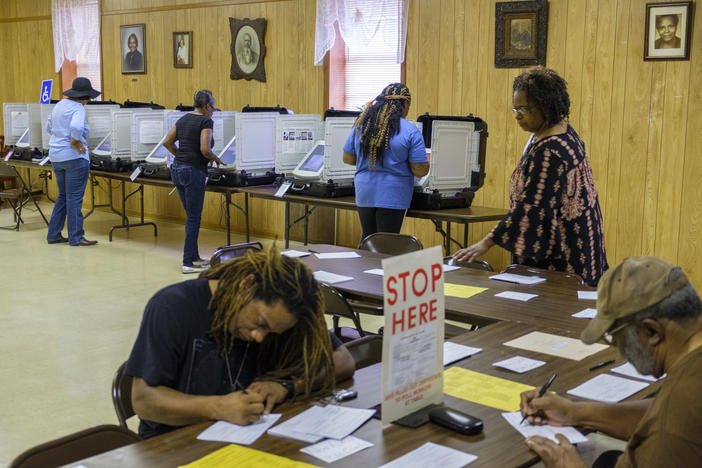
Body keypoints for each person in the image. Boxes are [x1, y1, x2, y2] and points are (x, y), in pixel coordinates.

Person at [125, 247, 356, 439]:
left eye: (273, 332)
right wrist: (217, 408)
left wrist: (288, 386)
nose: (259, 337)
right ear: (246, 287)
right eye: (260, 323)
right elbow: (144, 400)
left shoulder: (286, 314)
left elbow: (343, 361)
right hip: (173, 446)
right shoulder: (172, 307)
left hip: (253, 441)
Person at [520, 256, 702, 468]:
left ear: (651, 331)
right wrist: (573, 411)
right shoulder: (688, 372)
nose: (618, 349)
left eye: (616, 337)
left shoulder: (682, 406)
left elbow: (671, 420)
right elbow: (657, 413)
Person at [453, 67, 607, 286]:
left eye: (524, 109)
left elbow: (533, 207)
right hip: (582, 243)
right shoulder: (565, 132)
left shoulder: (549, 151)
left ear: (546, 105)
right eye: (515, 108)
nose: (517, 115)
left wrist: (487, 243)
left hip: (562, 256)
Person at [342, 83, 428, 242]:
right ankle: (379, 268)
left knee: (368, 238)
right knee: (386, 243)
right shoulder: (410, 130)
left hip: (365, 191)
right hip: (393, 194)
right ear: (406, 103)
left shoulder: (363, 125)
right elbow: (420, 170)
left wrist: (371, 160)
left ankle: (363, 266)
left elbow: (348, 158)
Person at [162, 89, 223, 274]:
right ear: (206, 106)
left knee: (191, 216)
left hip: (177, 170)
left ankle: (195, 258)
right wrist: (215, 158)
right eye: (212, 106)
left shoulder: (183, 119)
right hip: (193, 171)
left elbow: (167, 142)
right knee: (194, 218)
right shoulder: (206, 121)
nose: (213, 110)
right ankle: (188, 262)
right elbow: (205, 149)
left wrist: (180, 156)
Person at [45, 77, 100, 246]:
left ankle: (53, 234)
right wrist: (75, 142)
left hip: (56, 156)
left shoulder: (60, 105)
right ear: (84, 97)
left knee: (63, 196)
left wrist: (62, 138)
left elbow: (48, 126)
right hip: (74, 158)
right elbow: (76, 127)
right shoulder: (78, 108)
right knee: (75, 198)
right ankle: (76, 237)